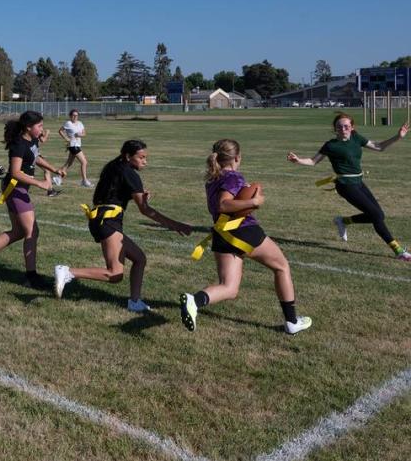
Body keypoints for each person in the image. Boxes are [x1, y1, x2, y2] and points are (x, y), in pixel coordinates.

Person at [180, 139, 312, 334]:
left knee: (229, 288)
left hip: (222, 233)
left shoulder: (212, 179)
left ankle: (195, 301)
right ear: (237, 158)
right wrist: (254, 201)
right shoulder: (233, 176)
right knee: (282, 267)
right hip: (243, 231)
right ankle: (292, 321)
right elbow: (224, 204)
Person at [54, 139, 191, 311]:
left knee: (139, 259)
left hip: (103, 219)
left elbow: (110, 196)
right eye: (141, 157)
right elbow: (145, 210)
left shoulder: (115, 168)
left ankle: (134, 302)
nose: (145, 161)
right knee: (115, 273)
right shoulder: (129, 173)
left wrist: (136, 197)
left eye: (145, 157)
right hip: (108, 221)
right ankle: (67, 271)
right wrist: (175, 225)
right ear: (128, 156)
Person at [287, 113, 410, 262]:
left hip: (359, 182)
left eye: (346, 126)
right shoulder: (331, 145)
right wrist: (298, 160)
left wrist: (398, 136)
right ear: (335, 129)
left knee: (379, 215)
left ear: (352, 127)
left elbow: (379, 147)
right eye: (339, 126)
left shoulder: (356, 138)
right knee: (376, 215)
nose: (343, 129)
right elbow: (313, 161)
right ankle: (398, 250)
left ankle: (344, 221)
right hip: (345, 185)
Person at [0, 111, 66, 289]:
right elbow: (15, 172)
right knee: (32, 231)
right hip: (14, 188)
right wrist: (40, 183)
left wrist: (54, 169)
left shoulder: (33, 140)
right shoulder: (19, 144)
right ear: (28, 127)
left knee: (20, 231)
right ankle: (31, 277)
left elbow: (35, 157)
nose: (42, 129)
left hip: (19, 188)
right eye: (39, 126)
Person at [58, 109, 93, 188]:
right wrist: (66, 138)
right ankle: (84, 181)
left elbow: (84, 133)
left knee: (68, 164)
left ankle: (58, 177)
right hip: (73, 145)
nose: (75, 117)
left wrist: (79, 135)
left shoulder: (80, 123)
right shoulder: (68, 123)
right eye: (73, 115)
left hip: (78, 145)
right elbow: (60, 131)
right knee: (84, 162)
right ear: (70, 116)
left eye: (76, 115)